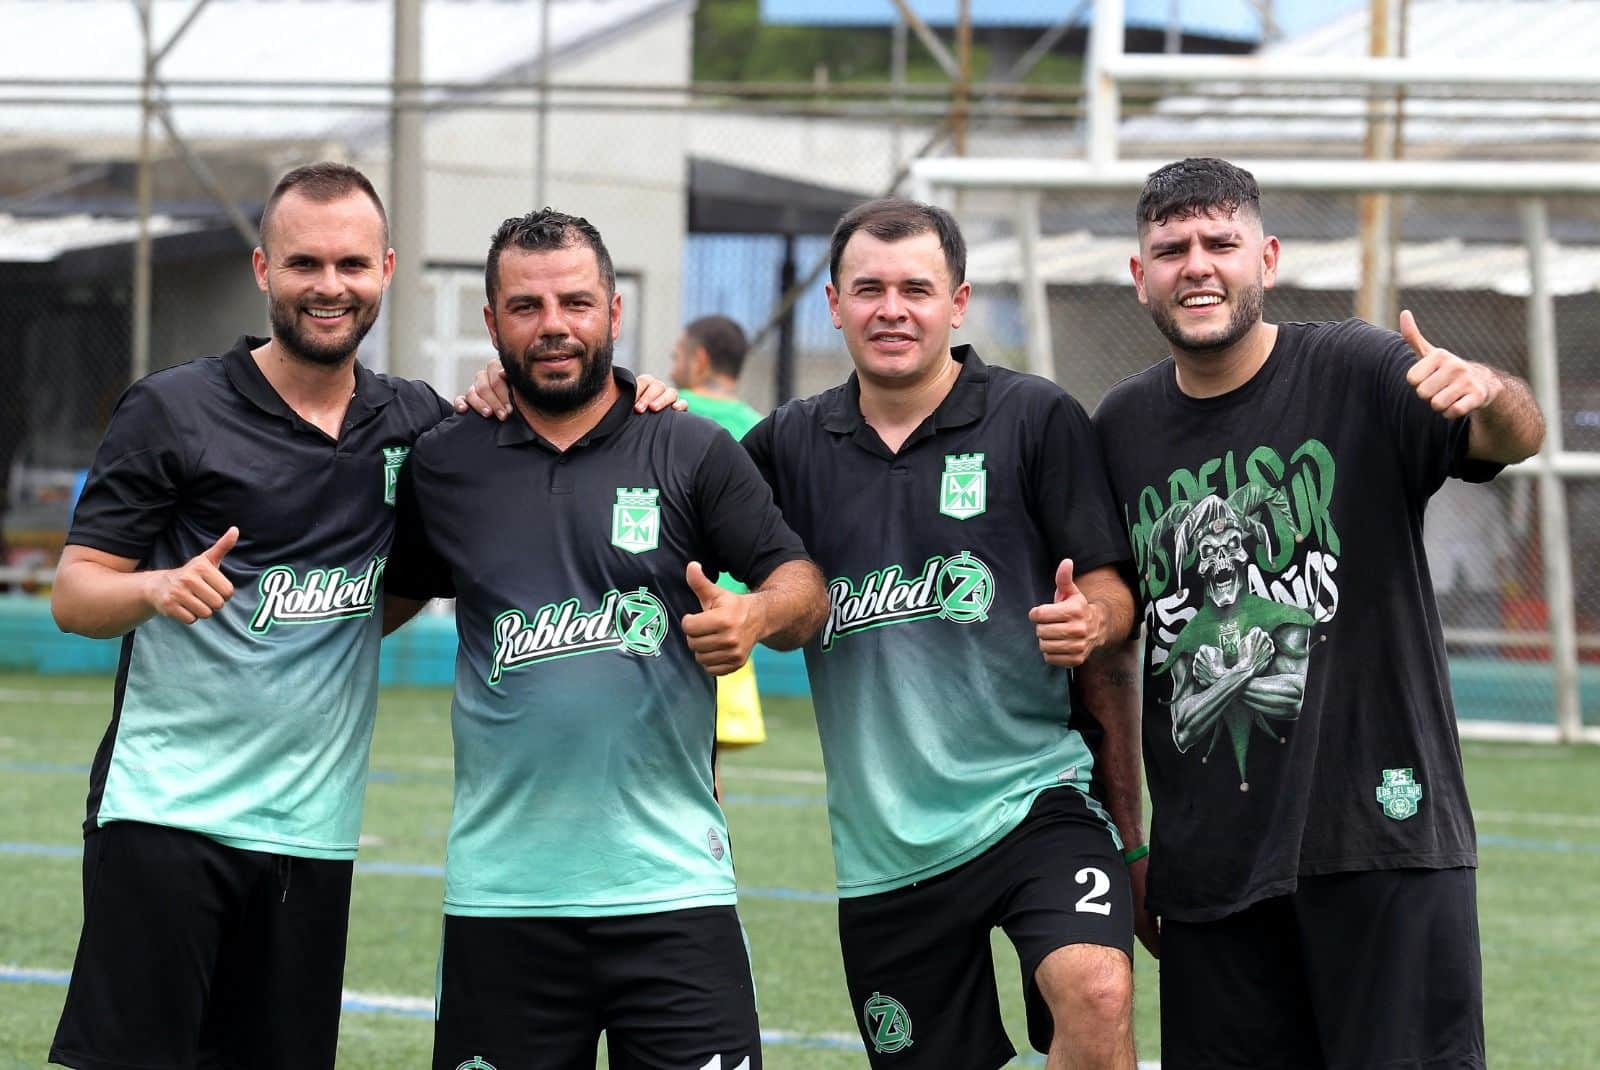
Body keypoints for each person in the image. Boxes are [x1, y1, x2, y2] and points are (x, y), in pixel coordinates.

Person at [45, 163, 679, 1070]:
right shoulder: (173, 409)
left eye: (350, 264)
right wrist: (153, 589)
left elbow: (527, 465)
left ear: (385, 268)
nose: (329, 286)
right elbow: (75, 594)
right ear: (265, 270)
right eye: (305, 263)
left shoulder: (416, 424)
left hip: (312, 838)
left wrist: (636, 401)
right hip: (163, 818)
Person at [1093, 157, 1545, 1069]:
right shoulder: (1119, 427)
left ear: (1265, 257)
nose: (1198, 266)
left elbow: (1511, 438)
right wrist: (1135, 847)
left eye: (1220, 243)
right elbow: (1115, 648)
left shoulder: (1356, 366)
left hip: (1383, 839)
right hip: (1210, 869)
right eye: (1171, 248)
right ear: (1141, 276)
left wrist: (1489, 396)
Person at [385, 209, 827, 1070]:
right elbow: (379, 603)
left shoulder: (691, 447)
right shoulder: (445, 462)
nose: (554, 326)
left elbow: (802, 587)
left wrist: (755, 617)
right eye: (526, 307)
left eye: (576, 303)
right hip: (503, 902)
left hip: (672, 896)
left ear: (615, 314)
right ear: (491, 323)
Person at [744, 199, 1142, 1070]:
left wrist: (1094, 619)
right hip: (888, 845)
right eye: (870, 289)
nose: (893, 309)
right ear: (835, 304)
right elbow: (672, 489)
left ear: (957, 304)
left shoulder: (1035, 418)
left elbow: (1113, 586)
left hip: (1034, 797)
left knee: (1098, 990)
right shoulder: (785, 446)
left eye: (916, 289)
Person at [670, 315, 769, 761]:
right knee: (704, 764)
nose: (672, 368)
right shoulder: (763, 427)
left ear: (700, 358)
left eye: (677, 357)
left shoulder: (668, 413)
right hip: (732, 622)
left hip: (666, 619)